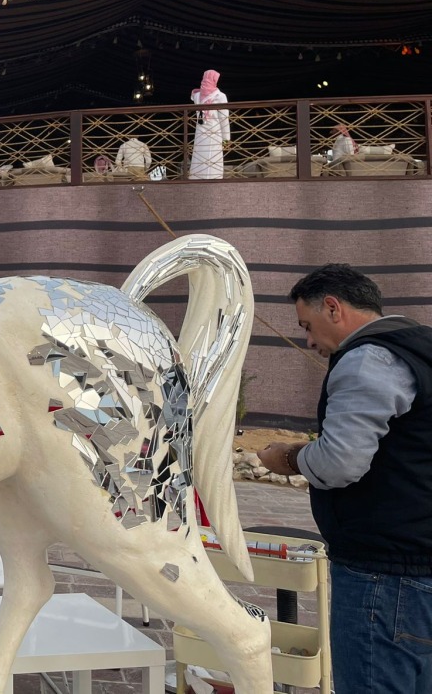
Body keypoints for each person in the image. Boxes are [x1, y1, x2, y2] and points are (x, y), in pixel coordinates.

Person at [258, 264, 432, 693]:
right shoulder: (421, 346)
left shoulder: (368, 360)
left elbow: (339, 463)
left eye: (308, 326)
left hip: (386, 575)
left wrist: (290, 457)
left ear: (333, 307)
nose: (310, 341)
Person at [188, 69, 230, 179]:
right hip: (214, 132)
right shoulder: (220, 96)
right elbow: (224, 118)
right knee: (213, 156)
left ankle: (197, 177)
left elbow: (194, 94)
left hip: (200, 132)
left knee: (200, 155)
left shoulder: (197, 96)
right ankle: (212, 178)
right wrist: (226, 138)